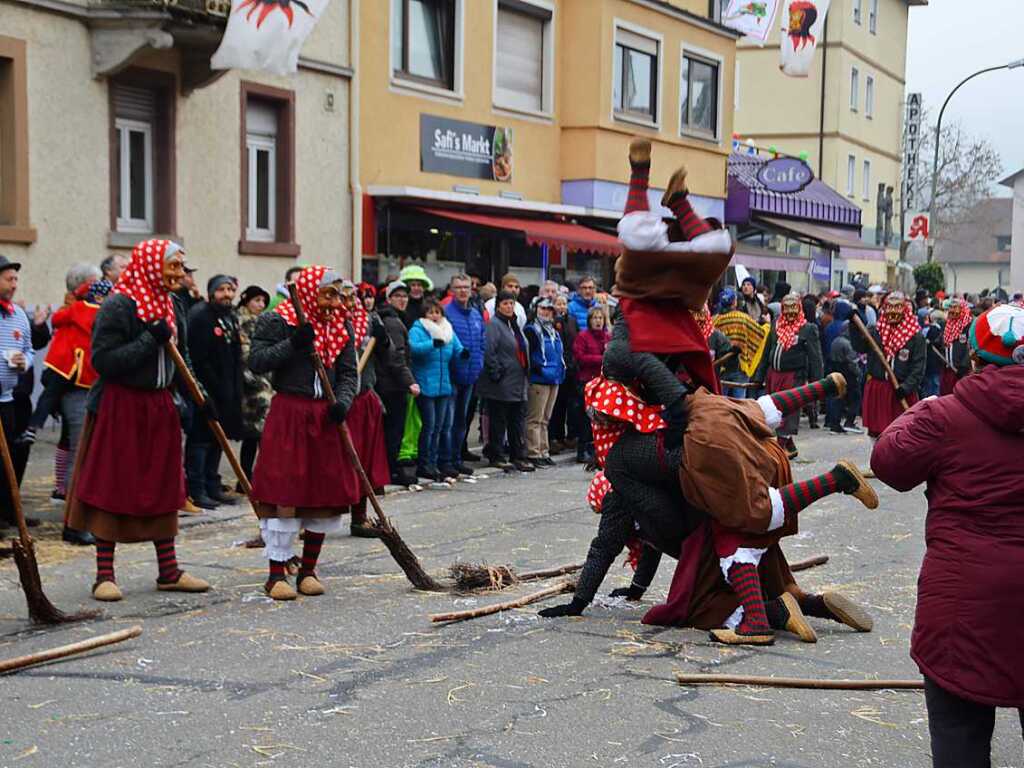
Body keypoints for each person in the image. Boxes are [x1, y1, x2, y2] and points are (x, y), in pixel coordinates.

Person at [871, 304, 1024, 768]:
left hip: (963, 608)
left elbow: (888, 462)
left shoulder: (945, 416)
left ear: (973, 360)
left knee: (961, 739)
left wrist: (922, 411)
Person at [68, 240, 210, 602]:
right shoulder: (120, 304)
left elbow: (184, 357)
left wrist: (199, 397)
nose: (179, 274)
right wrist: (150, 338)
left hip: (161, 405)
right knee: (114, 484)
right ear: (150, 265)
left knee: (164, 486)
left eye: (181, 267)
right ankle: (104, 575)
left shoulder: (172, 304)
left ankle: (169, 571)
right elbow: (104, 361)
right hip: (122, 406)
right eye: (173, 267)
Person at [248, 265, 359, 601]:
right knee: (286, 490)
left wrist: (342, 401)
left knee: (321, 492)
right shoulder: (279, 319)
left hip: (324, 417)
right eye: (328, 294)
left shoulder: (341, 326)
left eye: (338, 295)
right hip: (291, 413)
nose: (334, 302)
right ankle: (275, 574)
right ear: (312, 292)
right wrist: (293, 344)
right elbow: (257, 361)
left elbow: (349, 373)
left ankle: (308, 570)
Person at [185, 275, 244, 510]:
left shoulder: (230, 317)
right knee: (201, 440)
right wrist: (209, 390)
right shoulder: (201, 317)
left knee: (218, 439)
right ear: (211, 293)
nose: (227, 294)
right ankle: (196, 489)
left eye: (230, 289)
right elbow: (200, 359)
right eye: (221, 289)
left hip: (228, 389)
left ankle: (212, 484)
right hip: (207, 390)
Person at [339, 282, 390, 536]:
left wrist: (383, 339)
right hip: (338, 401)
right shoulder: (331, 324)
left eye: (352, 297)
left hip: (364, 397)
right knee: (335, 461)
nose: (349, 302)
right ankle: (313, 519)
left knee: (364, 461)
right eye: (343, 297)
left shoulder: (369, 320)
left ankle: (359, 517)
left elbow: (387, 355)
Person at [754, 293, 824, 459]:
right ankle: (789, 445)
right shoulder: (775, 325)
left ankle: (780, 447)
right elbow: (766, 353)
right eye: (787, 308)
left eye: (794, 307)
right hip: (774, 375)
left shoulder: (807, 328)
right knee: (774, 410)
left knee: (789, 410)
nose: (791, 311)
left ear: (799, 308)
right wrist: (759, 376)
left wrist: (818, 384)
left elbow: (815, 358)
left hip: (794, 376)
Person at [852, 292, 926, 438]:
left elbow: (919, 367)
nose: (892, 311)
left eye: (897, 307)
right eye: (889, 307)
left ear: (904, 309)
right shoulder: (875, 331)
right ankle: (878, 456)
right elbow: (859, 347)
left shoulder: (916, 337)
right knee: (876, 431)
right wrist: (853, 327)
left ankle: (899, 459)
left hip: (901, 390)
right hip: (878, 388)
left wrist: (906, 388)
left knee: (902, 431)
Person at [408, 297, 465, 482]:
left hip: (443, 385)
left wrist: (462, 352)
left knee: (441, 427)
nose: (434, 316)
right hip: (426, 385)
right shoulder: (418, 329)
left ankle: (436, 462)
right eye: (431, 312)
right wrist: (431, 344)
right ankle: (425, 463)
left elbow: (456, 346)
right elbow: (413, 349)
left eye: (437, 312)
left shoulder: (447, 329)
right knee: (429, 427)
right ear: (425, 314)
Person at [0, 256, 36, 534]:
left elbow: (30, 350)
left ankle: (6, 514)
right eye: (8, 279)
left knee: (8, 460)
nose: (14, 284)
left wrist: (25, 360)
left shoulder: (18, 315)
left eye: (16, 279)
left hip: (8, 400)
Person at [478, 290, 532, 472]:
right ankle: (496, 454)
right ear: (498, 306)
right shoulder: (494, 325)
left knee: (516, 421)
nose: (509, 307)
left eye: (512, 303)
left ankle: (518, 455)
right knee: (499, 420)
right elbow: (489, 351)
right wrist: (496, 373)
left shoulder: (515, 324)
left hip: (518, 381)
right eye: (505, 304)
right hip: (501, 381)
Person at [374, 281, 419, 486]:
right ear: (389, 299)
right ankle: (389, 470)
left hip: (388, 383)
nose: (403, 300)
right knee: (393, 430)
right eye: (398, 296)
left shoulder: (393, 319)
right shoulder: (392, 322)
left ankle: (388, 468)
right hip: (391, 385)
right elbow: (396, 357)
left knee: (390, 429)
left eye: (405, 296)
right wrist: (409, 382)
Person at [444, 274, 484, 476]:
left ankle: (457, 458)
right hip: (451, 375)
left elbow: (481, 342)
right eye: (458, 287)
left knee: (462, 420)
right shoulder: (446, 313)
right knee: (448, 422)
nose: (462, 291)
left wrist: (479, 363)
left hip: (470, 375)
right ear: (452, 289)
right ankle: (447, 461)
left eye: (466, 287)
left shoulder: (476, 314)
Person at [236, 285, 273, 484]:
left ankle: (257, 476)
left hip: (265, 381)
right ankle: (245, 477)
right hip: (252, 384)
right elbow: (245, 354)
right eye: (256, 300)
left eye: (262, 301)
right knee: (253, 434)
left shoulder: (262, 321)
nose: (260, 305)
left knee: (261, 434)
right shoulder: (242, 322)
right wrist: (257, 380)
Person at [523, 298, 565, 467]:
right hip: (539, 379)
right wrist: (538, 369)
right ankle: (533, 452)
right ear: (536, 309)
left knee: (545, 419)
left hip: (554, 378)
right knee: (535, 418)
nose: (546, 312)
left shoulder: (553, 331)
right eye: (543, 308)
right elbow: (529, 356)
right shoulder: (531, 330)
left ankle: (543, 450)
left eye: (549, 309)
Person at [713, 288, 769, 399]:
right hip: (740, 365)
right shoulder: (742, 318)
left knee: (720, 400)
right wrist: (767, 325)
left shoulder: (714, 320)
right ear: (734, 302)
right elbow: (760, 333)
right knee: (740, 401)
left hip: (720, 367)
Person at [572, 305, 610, 463]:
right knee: (586, 418)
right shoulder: (583, 336)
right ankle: (582, 450)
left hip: (603, 382)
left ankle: (597, 449)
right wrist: (601, 359)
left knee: (600, 418)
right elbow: (580, 357)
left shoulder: (608, 336)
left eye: (600, 318)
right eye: (595, 318)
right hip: (587, 381)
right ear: (589, 320)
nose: (598, 321)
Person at [939, 297, 972, 395]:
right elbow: (943, 343)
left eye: (955, 307)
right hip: (947, 369)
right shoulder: (946, 324)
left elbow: (971, 347)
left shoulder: (968, 326)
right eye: (951, 307)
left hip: (960, 371)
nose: (952, 310)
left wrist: (964, 365)